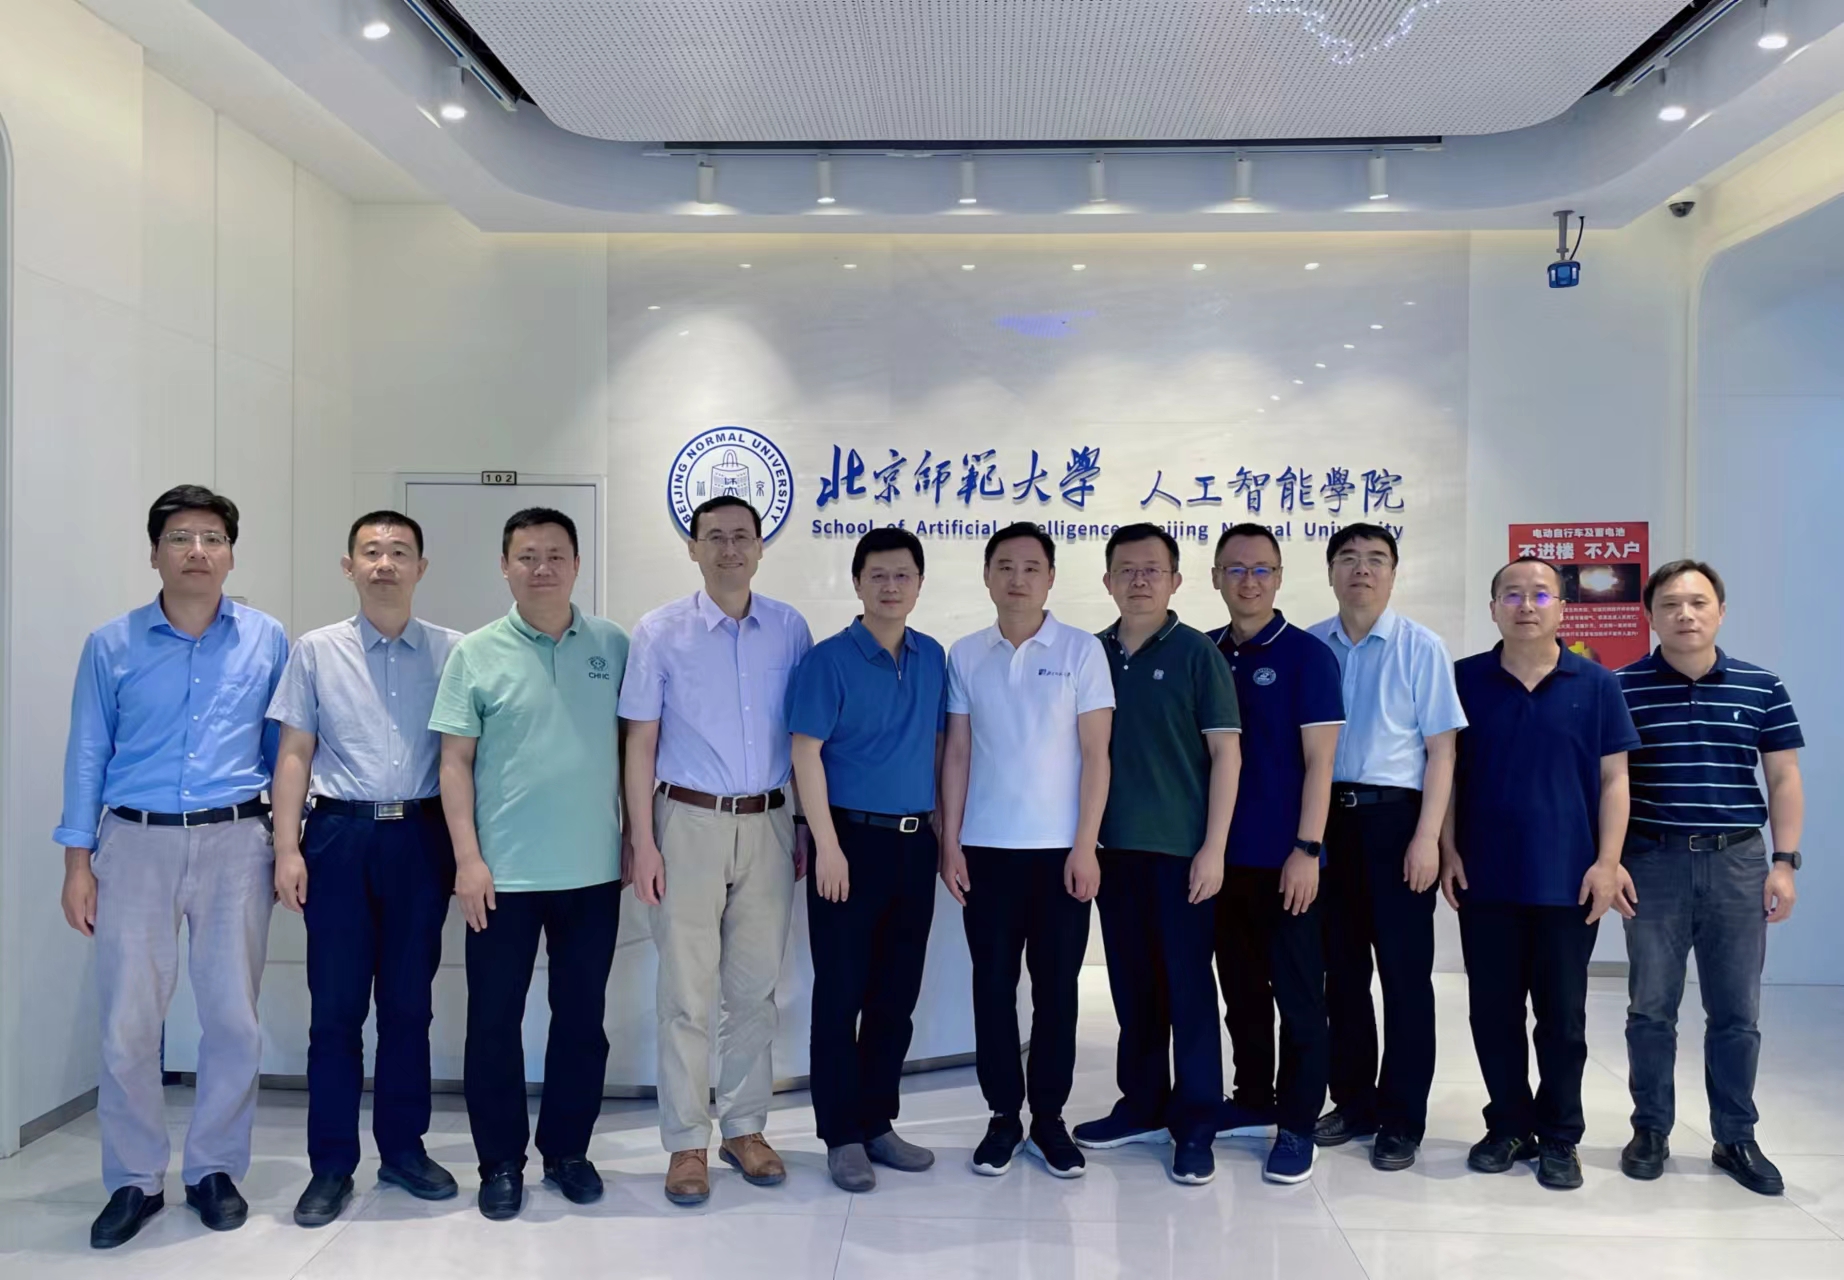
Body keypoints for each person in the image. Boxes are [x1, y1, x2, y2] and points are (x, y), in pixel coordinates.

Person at [57, 485, 288, 1249]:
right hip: (135, 842)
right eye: (181, 537)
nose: (198, 551)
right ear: (154, 552)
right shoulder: (111, 645)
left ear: (231, 554)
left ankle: (214, 1169)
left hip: (236, 843)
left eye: (213, 538)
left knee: (232, 1017)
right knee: (129, 1021)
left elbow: (283, 753)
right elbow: (88, 753)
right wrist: (78, 863)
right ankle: (134, 1177)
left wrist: (286, 843)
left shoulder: (266, 640)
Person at [429, 507, 630, 1221]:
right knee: (493, 1023)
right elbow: (454, 763)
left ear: (576, 564)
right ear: (505, 566)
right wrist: (467, 859)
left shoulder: (613, 646)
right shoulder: (475, 653)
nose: (541, 567)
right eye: (526, 555)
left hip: (593, 873)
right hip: (501, 877)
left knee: (581, 1021)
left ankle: (569, 1152)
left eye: (555, 555)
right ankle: (500, 1162)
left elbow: (638, 749)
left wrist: (637, 836)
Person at [268, 511, 464, 1226]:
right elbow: (294, 753)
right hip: (338, 838)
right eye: (372, 552)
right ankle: (330, 1164)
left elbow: (466, 757)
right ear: (349, 566)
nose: (386, 563)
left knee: (410, 1007)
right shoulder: (316, 651)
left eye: (400, 551)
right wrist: (287, 848)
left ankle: (404, 1150)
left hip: (421, 838)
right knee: (336, 1010)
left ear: (421, 567)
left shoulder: (454, 652)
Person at [621, 495, 813, 1206]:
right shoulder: (659, 631)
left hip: (768, 821)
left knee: (754, 990)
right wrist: (642, 841)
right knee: (686, 994)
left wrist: (800, 826)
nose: (729, 549)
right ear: (693, 547)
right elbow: (639, 742)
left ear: (761, 547)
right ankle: (685, 1142)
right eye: (715, 537)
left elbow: (803, 739)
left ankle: (745, 1128)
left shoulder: (790, 628)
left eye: (742, 537)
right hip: (687, 823)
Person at [1441, 556, 1640, 1191]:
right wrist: (1447, 848)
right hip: (1486, 878)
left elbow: (1615, 780)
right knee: (1492, 1012)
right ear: (1492, 607)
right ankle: (1507, 1125)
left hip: (1568, 880)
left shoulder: (1597, 683)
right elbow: (1444, 774)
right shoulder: (1463, 680)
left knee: (1562, 1018)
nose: (1525, 605)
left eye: (1540, 595)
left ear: (1562, 608)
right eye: (1511, 595)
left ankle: (1559, 1136)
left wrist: (1607, 863)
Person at [1615, 560, 1804, 1196]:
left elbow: (1783, 776)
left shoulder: (1762, 685)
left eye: (1698, 602)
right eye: (1670, 604)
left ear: (1721, 611)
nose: (1685, 614)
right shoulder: (1622, 687)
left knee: (1736, 1012)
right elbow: (1608, 783)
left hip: (1739, 861)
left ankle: (1735, 1136)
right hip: (1653, 860)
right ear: (1650, 615)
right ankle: (1651, 1130)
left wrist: (1785, 862)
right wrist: (1612, 860)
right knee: (1650, 1008)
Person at [940, 522, 1112, 1179]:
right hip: (986, 851)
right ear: (987, 576)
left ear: (1050, 578)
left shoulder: (1080, 651)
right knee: (992, 988)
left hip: (1060, 854)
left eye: (1031, 567)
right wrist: (950, 842)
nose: (1018, 579)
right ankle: (1002, 1117)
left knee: (1057, 991)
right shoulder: (965, 654)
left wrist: (1086, 845)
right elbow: (957, 753)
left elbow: (1097, 755)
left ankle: (1049, 1118)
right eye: (1005, 566)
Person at [1074, 523, 1240, 1186]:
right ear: (1108, 580)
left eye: (1152, 569)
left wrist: (1214, 849)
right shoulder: (1090, 653)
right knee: (1132, 985)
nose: (1139, 580)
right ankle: (1141, 1104)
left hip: (1182, 854)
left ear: (1175, 581)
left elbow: (1227, 755)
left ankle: (1196, 1120)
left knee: (1189, 989)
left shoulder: (1198, 653)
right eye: (1127, 569)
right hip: (1113, 851)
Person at [787, 528, 948, 1192]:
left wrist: (944, 835)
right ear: (857, 583)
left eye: (903, 575)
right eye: (877, 575)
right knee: (840, 995)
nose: (890, 586)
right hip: (849, 843)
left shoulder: (933, 656)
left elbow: (938, 748)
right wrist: (826, 844)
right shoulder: (828, 661)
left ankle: (878, 1122)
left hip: (915, 844)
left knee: (895, 996)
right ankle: (841, 1135)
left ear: (919, 584)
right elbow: (805, 754)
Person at [1307, 523, 1465, 1172]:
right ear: (1331, 572)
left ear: (1394, 574)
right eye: (1348, 558)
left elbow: (1442, 751)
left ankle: (1402, 1117)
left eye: (1376, 559)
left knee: (1404, 979)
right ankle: (1354, 1101)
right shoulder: (1312, 646)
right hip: (1326, 825)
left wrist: (1428, 837)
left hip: (1396, 824)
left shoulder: (1421, 647)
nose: (1362, 570)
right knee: (1340, 975)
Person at [1206, 523, 1342, 1185]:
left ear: (1280, 577)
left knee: (1299, 995)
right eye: (1235, 569)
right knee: (1240, 990)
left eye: (1262, 569)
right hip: (1219, 860)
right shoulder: (1206, 652)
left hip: (1286, 859)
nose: (1249, 581)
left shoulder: (1308, 656)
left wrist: (1307, 849)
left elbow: (1321, 763)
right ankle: (1253, 1095)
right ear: (1215, 578)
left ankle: (1296, 1122)